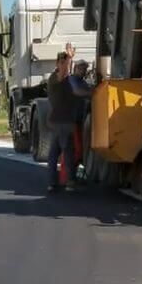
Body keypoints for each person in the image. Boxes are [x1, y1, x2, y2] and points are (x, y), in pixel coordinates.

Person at [47, 45, 82, 193]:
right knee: (62, 153)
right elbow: (63, 73)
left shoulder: (69, 80)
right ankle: (67, 182)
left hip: (64, 121)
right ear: (57, 64)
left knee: (61, 153)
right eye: (61, 62)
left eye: (65, 62)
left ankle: (58, 182)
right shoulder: (54, 79)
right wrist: (69, 58)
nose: (64, 66)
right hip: (60, 121)